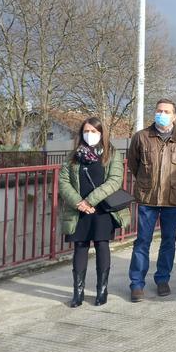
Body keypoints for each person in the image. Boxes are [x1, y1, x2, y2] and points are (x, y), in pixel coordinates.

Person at [127, 98, 176, 302]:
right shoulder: (141, 137)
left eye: (167, 111)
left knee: (169, 241)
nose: (162, 114)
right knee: (142, 242)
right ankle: (136, 284)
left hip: (173, 200)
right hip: (148, 198)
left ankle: (162, 279)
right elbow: (134, 164)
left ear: (174, 116)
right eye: (159, 111)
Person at [59, 117, 130, 307]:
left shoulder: (111, 154)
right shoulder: (73, 156)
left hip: (102, 210)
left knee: (102, 246)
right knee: (80, 248)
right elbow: (63, 182)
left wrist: (90, 200)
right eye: (86, 131)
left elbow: (114, 180)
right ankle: (78, 292)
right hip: (79, 211)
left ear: (102, 133)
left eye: (94, 131)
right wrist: (79, 203)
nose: (89, 135)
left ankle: (101, 290)